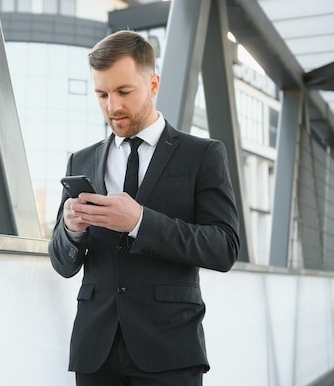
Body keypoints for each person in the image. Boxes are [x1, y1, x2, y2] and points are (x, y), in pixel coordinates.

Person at [48, 29, 240, 386]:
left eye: (123, 92)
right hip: (95, 351)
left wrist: (140, 222)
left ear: (153, 84)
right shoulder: (81, 160)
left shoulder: (203, 154)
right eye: (102, 94)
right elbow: (61, 263)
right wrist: (72, 230)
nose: (112, 106)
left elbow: (224, 247)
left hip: (169, 348)